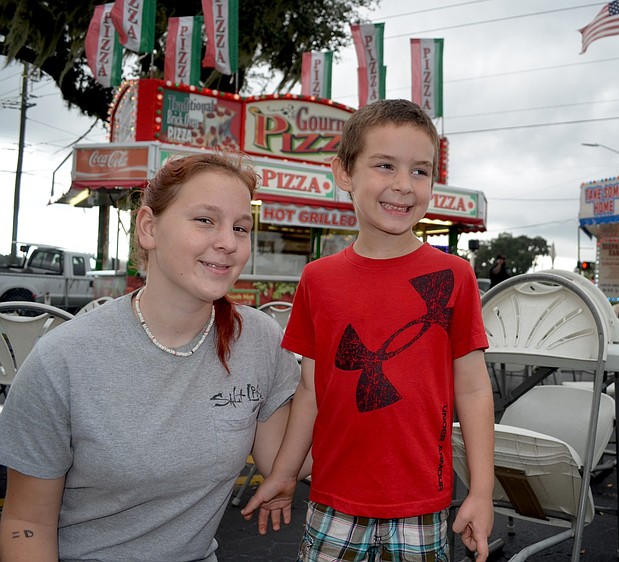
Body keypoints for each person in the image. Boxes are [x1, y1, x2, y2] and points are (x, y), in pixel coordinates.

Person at [0, 152, 302, 561]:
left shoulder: (258, 340)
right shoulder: (64, 359)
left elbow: (287, 461)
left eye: (241, 228)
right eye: (205, 220)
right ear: (148, 227)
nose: (228, 243)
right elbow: (26, 523)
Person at [241, 99, 495, 561]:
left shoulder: (455, 276)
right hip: (333, 498)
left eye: (420, 171)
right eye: (385, 165)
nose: (404, 185)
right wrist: (284, 472)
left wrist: (481, 491)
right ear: (344, 173)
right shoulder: (318, 280)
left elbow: (474, 389)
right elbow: (310, 389)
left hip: (423, 503)